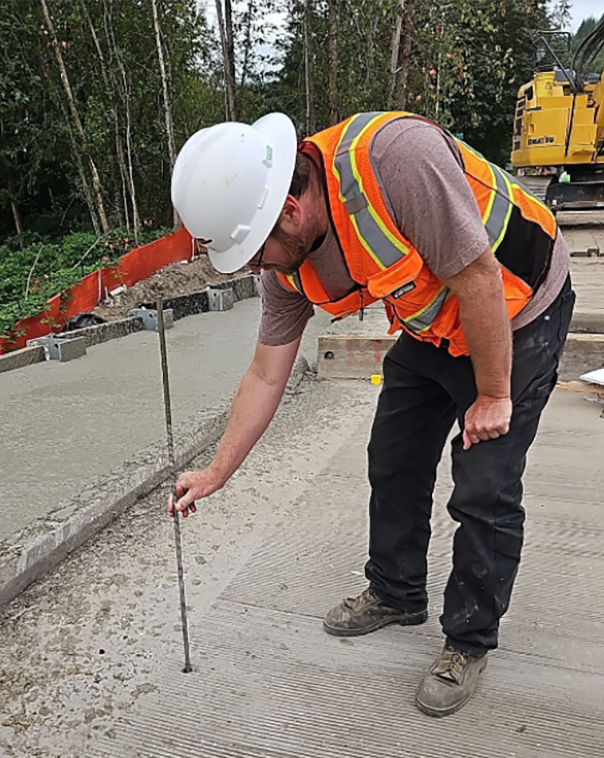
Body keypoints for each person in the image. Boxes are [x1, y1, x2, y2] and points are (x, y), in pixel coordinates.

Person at [169, 110, 575, 717]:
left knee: (484, 488)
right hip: (432, 322)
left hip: (516, 309)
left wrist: (493, 395)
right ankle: (396, 591)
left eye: (256, 254)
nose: (258, 268)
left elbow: (482, 279)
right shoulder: (285, 258)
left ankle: (467, 640)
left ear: (288, 210)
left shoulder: (395, 161)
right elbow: (264, 372)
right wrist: (216, 472)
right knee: (393, 456)